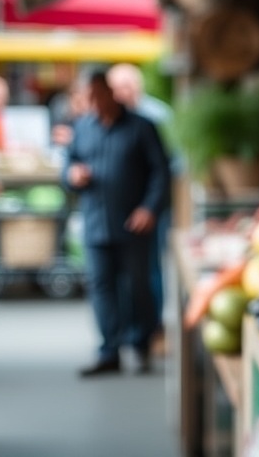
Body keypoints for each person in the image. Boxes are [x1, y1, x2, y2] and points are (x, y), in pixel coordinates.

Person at [65, 71, 170, 377]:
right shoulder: (83, 127)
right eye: (90, 98)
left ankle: (141, 343)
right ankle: (109, 349)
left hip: (133, 223)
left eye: (99, 96)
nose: (95, 103)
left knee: (138, 285)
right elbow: (69, 163)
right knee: (101, 287)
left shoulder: (142, 127)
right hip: (96, 222)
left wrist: (150, 208)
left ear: (111, 94)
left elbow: (160, 172)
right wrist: (72, 175)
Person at [107, 63, 174, 342]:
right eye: (117, 88)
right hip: (118, 210)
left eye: (127, 86)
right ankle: (126, 329)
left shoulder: (157, 116)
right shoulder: (108, 119)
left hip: (150, 209)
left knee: (149, 270)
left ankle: (152, 328)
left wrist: (151, 206)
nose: (122, 93)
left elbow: (170, 165)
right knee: (122, 274)